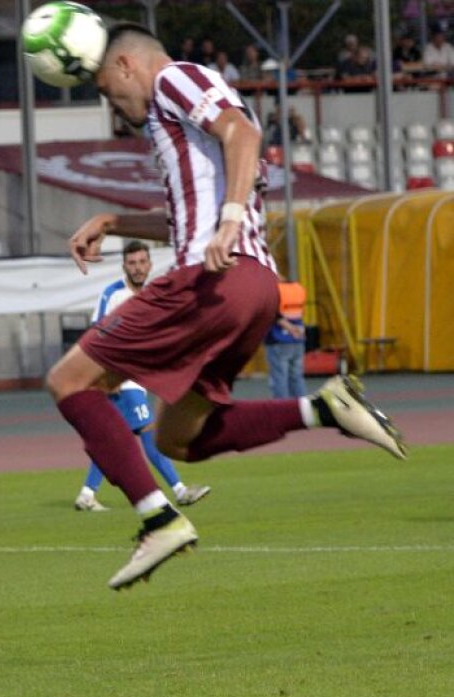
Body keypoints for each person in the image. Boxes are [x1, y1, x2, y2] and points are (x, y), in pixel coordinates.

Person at [48, 24, 406, 591]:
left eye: (109, 93)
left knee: (70, 381)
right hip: (253, 287)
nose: (116, 109)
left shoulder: (173, 79)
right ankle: (324, 410)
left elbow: (243, 132)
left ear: (124, 65)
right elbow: (192, 212)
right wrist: (114, 223)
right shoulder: (185, 129)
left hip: (212, 277)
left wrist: (233, 216)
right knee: (178, 439)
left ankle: (158, 519)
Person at [72, 241, 211, 513]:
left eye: (141, 262)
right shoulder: (112, 295)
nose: (137, 267)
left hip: (138, 377)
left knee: (113, 439)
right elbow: (95, 334)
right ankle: (180, 490)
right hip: (120, 379)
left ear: (149, 264)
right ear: (124, 265)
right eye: (132, 263)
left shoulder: (153, 295)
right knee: (148, 433)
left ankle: (87, 494)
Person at [265, 280, 307, 399]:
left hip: (278, 339)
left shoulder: (274, 291)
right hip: (298, 339)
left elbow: (273, 314)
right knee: (297, 377)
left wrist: (290, 328)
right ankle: (300, 408)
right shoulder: (298, 289)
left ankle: (281, 410)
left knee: (279, 378)